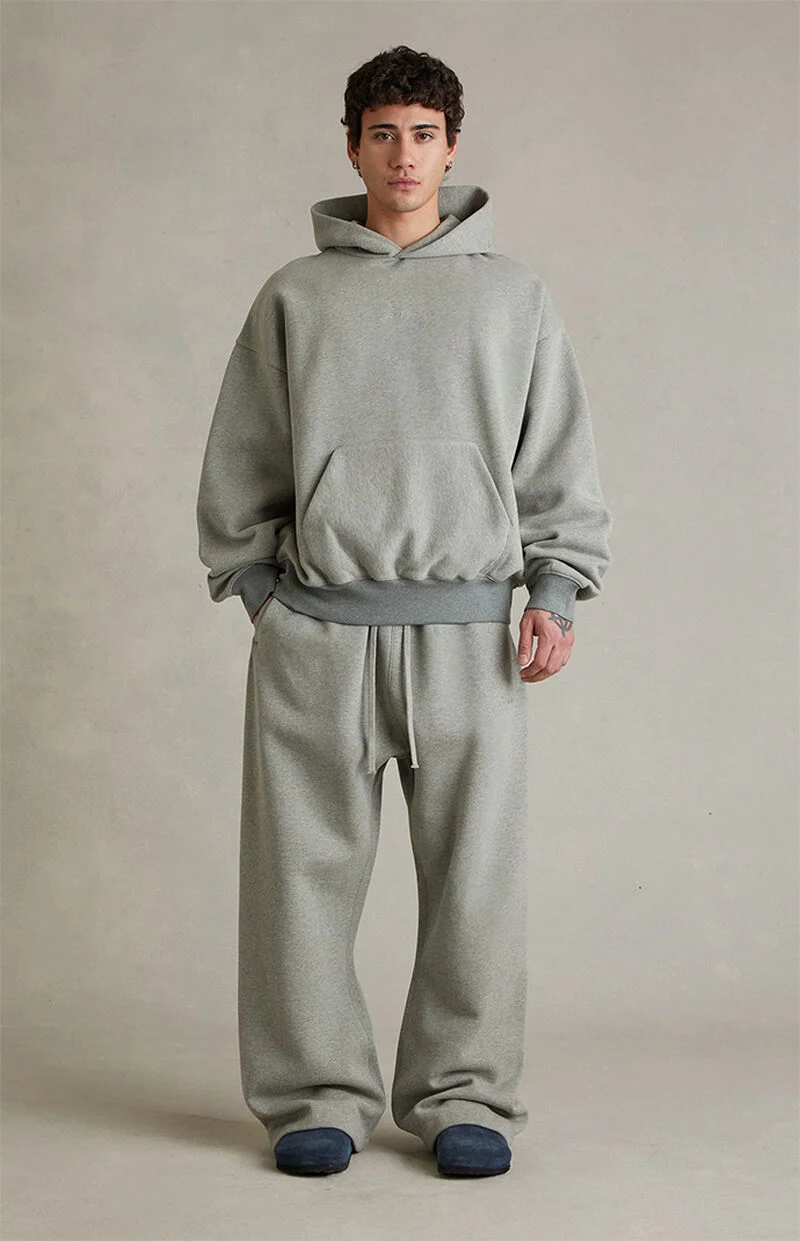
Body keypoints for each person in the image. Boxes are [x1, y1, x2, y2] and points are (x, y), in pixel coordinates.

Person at [196, 44, 612, 1180]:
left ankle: (462, 1090)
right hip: (317, 632)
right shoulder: (295, 294)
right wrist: (262, 593)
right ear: (351, 148)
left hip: (470, 634)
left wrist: (554, 586)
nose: (403, 155)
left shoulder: (514, 296)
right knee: (298, 875)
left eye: (423, 133)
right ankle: (312, 1094)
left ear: (452, 145)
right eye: (382, 133)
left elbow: (557, 462)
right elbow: (243, 457)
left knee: (477, 876)